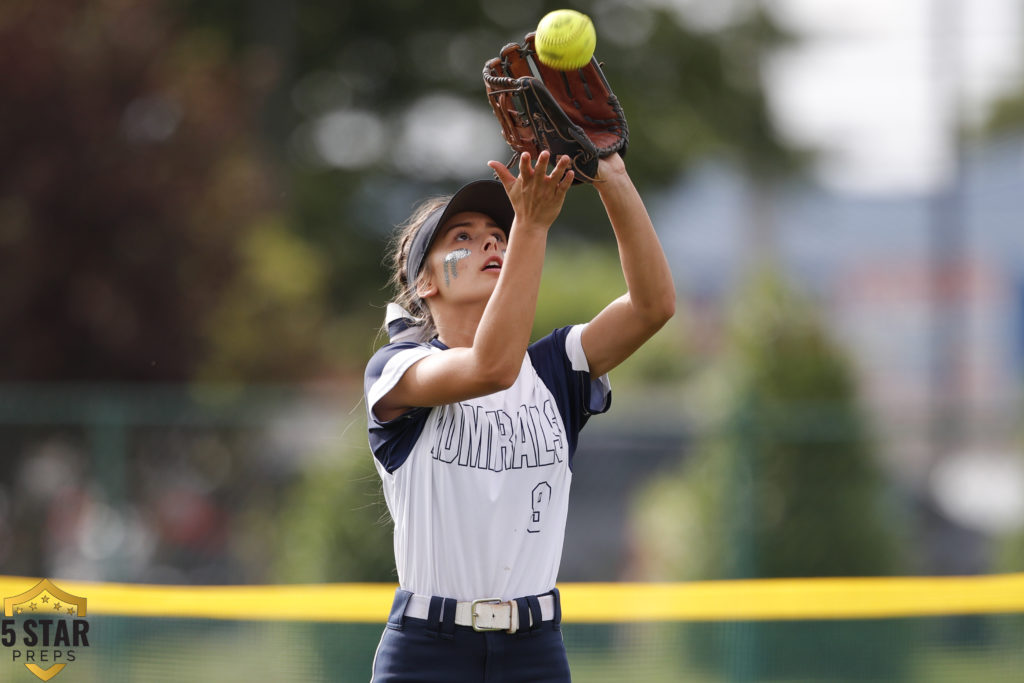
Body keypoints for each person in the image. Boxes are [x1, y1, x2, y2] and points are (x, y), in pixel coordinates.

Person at [364, 149, 675, 682]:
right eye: (461, 237)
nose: (489, 241)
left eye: (497, 233)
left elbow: (653, 307)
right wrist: (529, 225)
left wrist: (612, 177)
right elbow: (490, 367)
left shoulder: (554, 370)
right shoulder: (398, 370)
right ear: (424, 284)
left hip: (534, 652)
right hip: (427, 653)